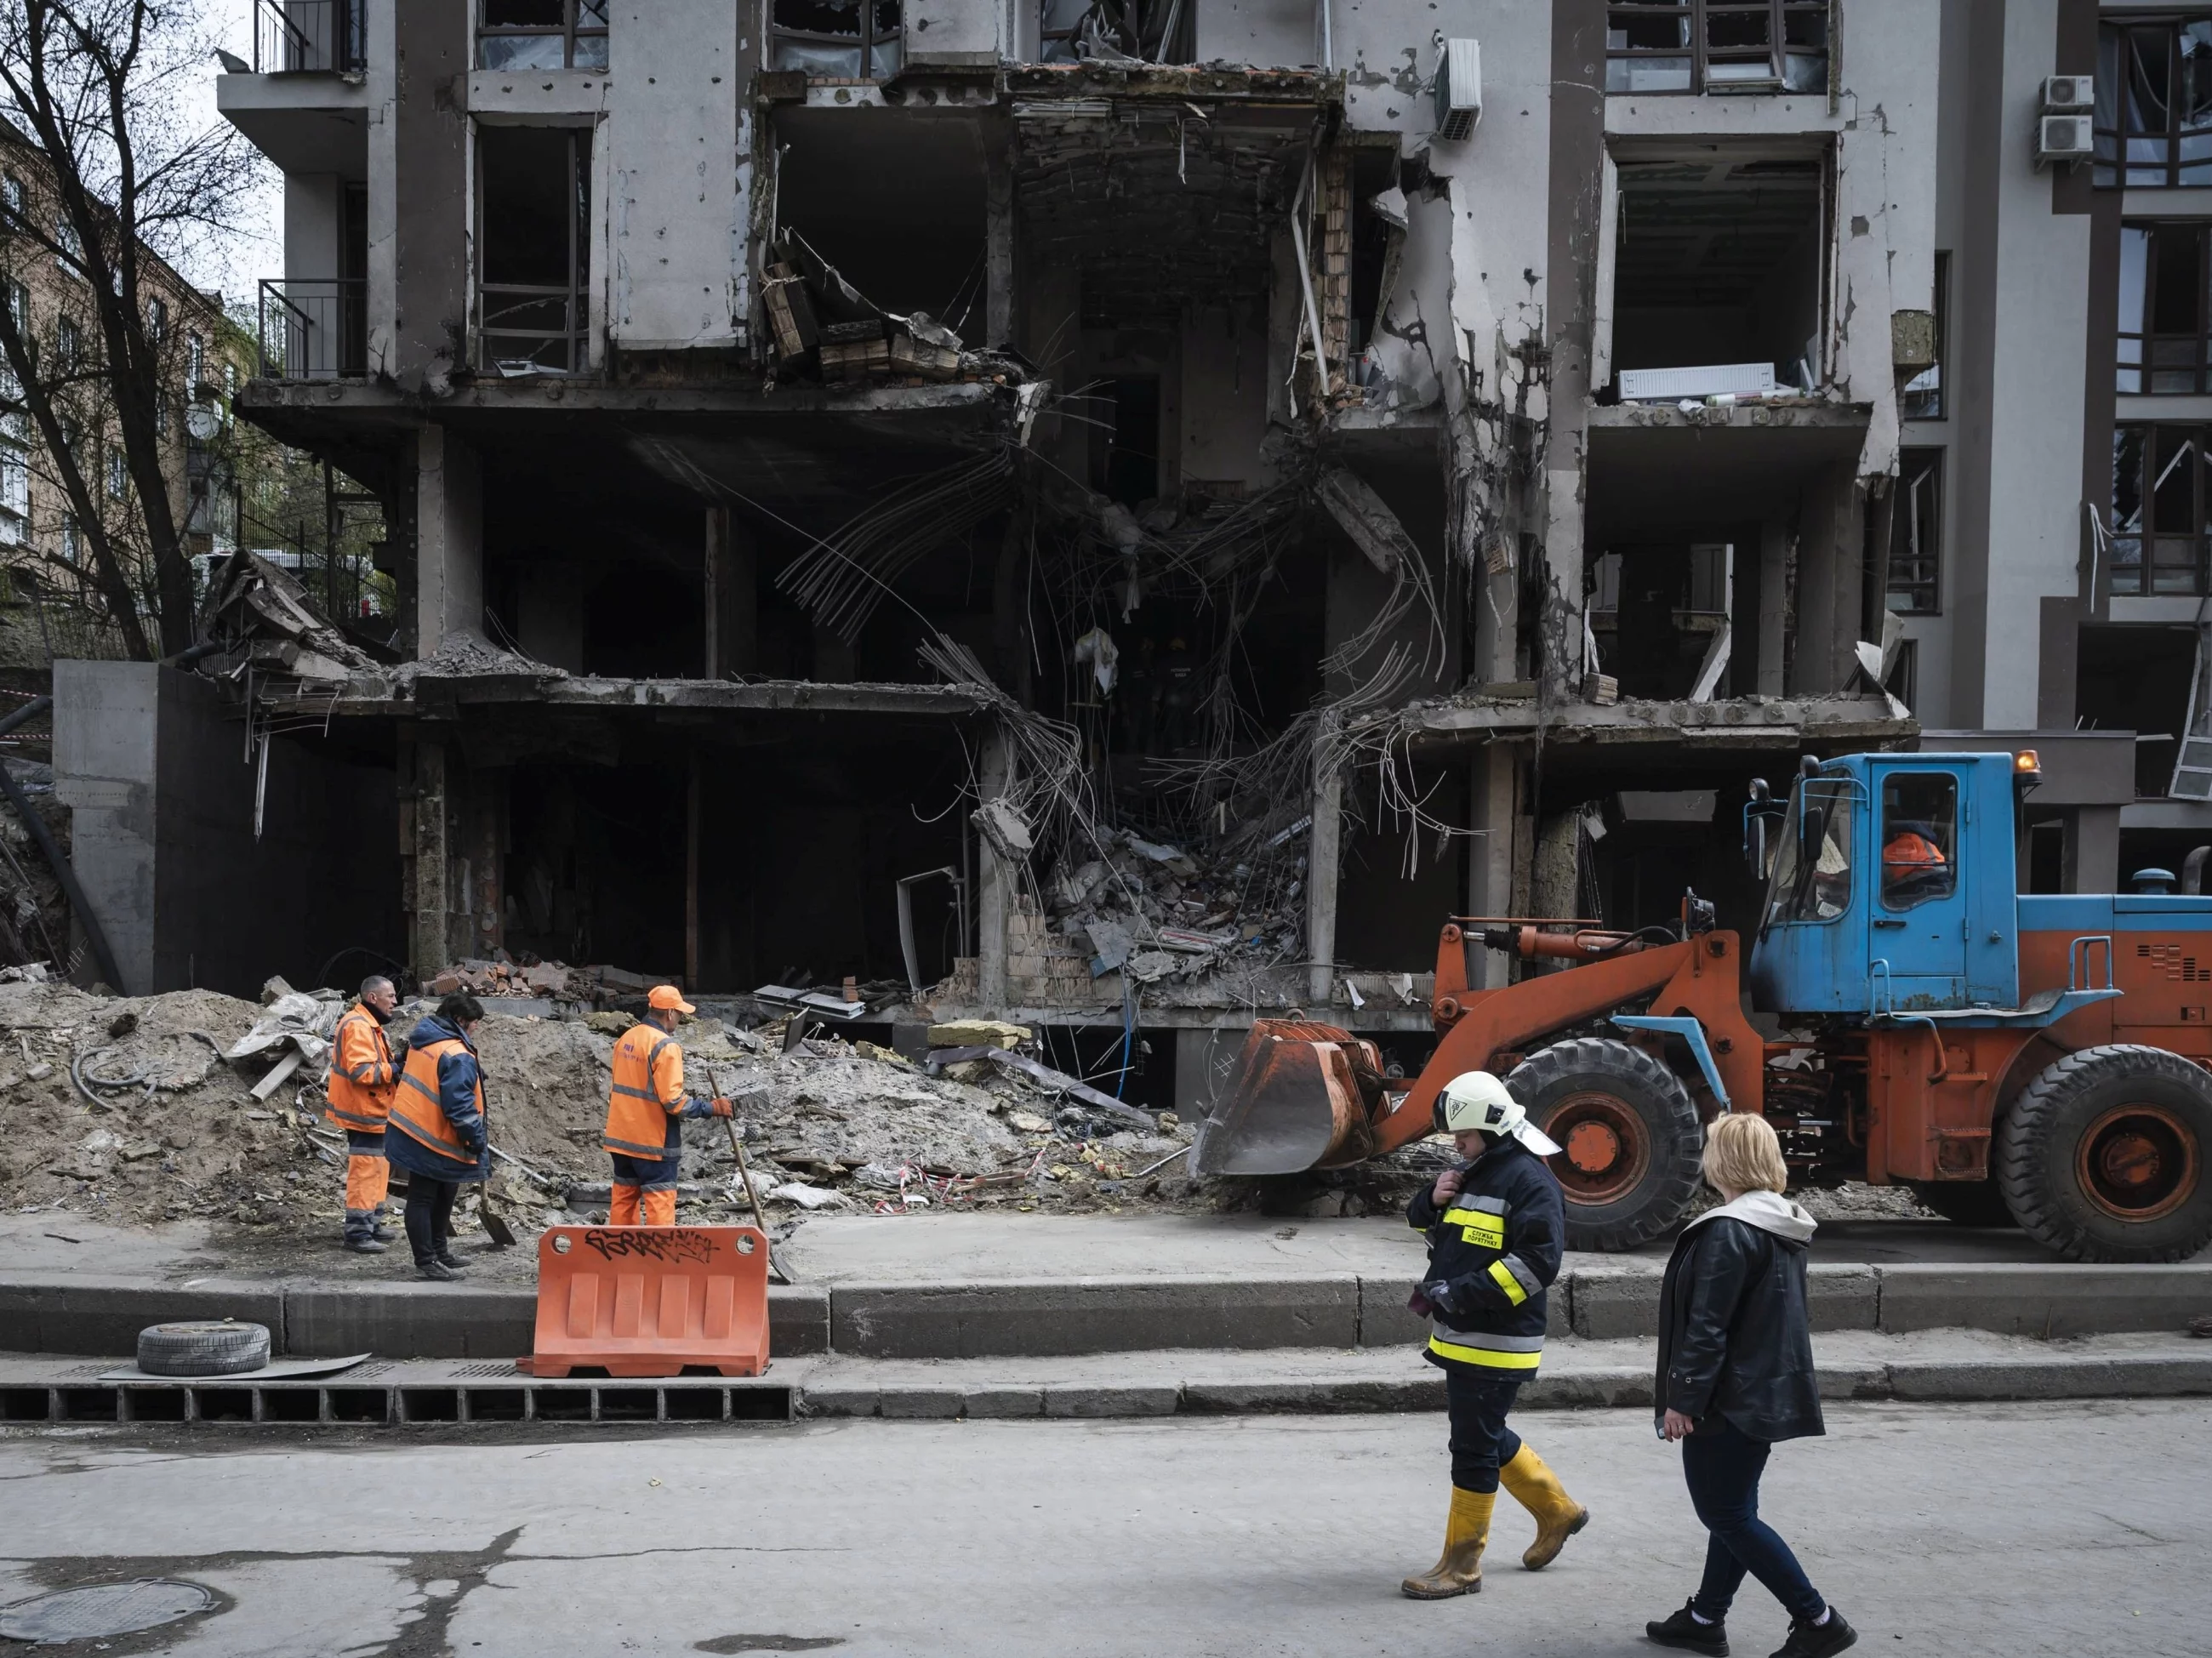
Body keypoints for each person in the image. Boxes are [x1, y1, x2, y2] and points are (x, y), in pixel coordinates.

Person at [1646, 1114, 1857, 1658]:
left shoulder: (1728, 1230)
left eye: (1711, 1148)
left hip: (1727, 1400)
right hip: (1760, 1392)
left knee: (1727, 1515)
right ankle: (1704, 1617)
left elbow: (1708, 1325)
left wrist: (1683, 1399)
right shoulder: (1779, 1225)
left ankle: (1817, 1619)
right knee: (1734, 1510)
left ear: (1725, 1160)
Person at [1400, 1071, 1588, 1600]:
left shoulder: (1530, 1182)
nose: (1456, 1145)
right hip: (1466, 1336)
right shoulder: (1479, 1171)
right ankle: (1558, 1511)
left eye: (1463, 1136)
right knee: (1483, 1432)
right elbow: (1440, 1236)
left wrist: (1460, 1295)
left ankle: (1462, 1567)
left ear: (1494, 1128)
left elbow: (1536, 1265)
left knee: (1473, 1445)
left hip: (1496, 1340)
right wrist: (1429, 1201)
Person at [602, 984, 733, 1226]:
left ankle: (620, 1258)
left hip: (621, 1139)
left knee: (623, 1199)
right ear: (670, 1013)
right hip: (652, 1142)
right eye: (680, 1014)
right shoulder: (665, 1046)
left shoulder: (627, 1039)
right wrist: (710, 1108)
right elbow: (674, 1102)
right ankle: (658, 1262)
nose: (680, 1020)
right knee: (659, 1202)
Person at [385, 992, 490, 1281]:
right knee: (422, 1197)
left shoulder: (424, 1041)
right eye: (474, 1022)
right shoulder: (456, 1055)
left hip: (415, 1128)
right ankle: (427, 1260)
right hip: (431, 1136)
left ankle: (439, 1252)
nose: (476, 1027)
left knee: (445, 1192)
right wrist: (475, 1140)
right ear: (460, 1020)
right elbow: (460, 1105)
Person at [324, 975, 400, 1254]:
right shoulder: (358, 1026)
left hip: (372, 1110)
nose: (395, 1001)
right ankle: (357, 1233)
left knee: (378, 1168)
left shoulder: (368, 1024)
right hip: (363, 1111)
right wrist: (396, 1069)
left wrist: (394, 1064)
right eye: (390, 996)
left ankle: (372, 1222)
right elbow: (361, 1072)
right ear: (373, 998)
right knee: (366, 1171)